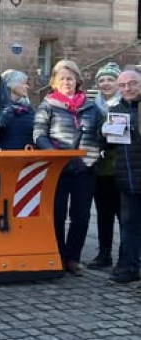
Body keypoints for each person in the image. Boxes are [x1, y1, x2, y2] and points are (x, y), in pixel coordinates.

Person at [33, 59, 101, 277]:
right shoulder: (47, 105)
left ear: (77, 81)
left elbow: (101, 133)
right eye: (62, 78)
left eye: (70, 78)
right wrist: (54, 154)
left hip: (85, 168)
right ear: (54, 82)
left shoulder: (91, 107)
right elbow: (39, 135)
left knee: (81, 216)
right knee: (57, 214)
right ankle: (57, 256)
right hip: (58, 169)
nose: (67, 82)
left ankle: (73, 258)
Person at [106, 68, 141, 284]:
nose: (127, 88)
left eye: (132, 83)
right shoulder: (116, 110)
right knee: (128, 226)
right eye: (123, 85)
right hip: (127, 179)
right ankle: (128, 267)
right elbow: (108, 144)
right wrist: (104, 132)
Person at [90, 62, 122, 270]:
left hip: (120, 168)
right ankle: (104, 254)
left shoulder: (124, 105)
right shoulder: (94, 106)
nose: (106, 83)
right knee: (103, 214)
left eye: (110, 79)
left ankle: (126, 257)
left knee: (124, 216)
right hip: (99, 168)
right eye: (102, 80)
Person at [0, 70, 35, 150]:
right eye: (23, 83)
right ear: (11, 85)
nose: (27, 87)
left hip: (26, 157)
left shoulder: (29, 109)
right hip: (5, 157)